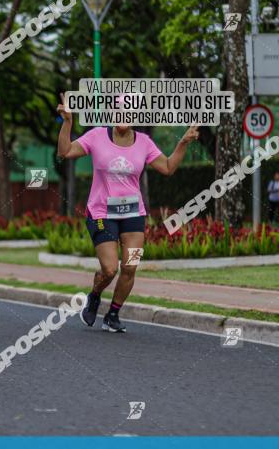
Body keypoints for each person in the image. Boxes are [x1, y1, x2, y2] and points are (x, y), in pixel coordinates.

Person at [57, 94, 198, 333]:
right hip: (101, 213)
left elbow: (167, 167)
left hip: (133, 214)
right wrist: (68, 122)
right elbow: (65, 152)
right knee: (110, 269)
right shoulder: (97, 135)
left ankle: (113, 314)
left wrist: (182, 142)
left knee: (130, 267)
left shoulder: (144, 142)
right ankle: (94, 295)